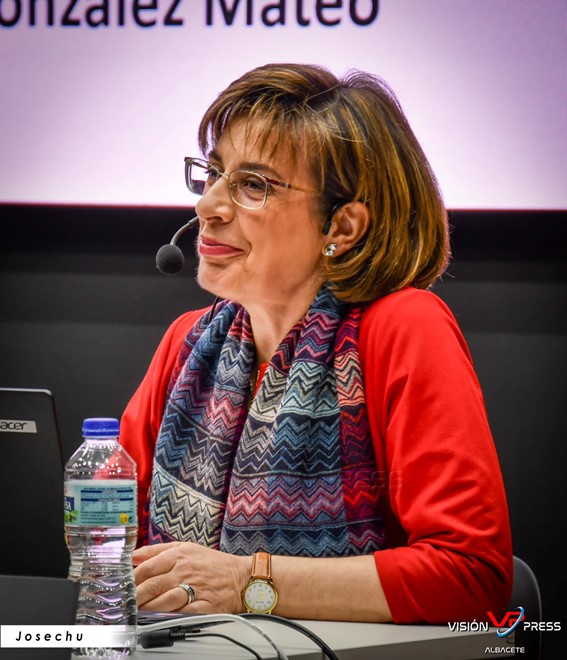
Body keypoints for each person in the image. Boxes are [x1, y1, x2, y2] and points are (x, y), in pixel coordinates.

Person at [120, 62, 513, 624]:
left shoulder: (403, 329)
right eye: (214, 172)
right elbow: (109, 543)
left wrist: (246, 582)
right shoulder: (187, 343)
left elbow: (470, 577)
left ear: (342, 227)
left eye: (253, 185)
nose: (208, 206)